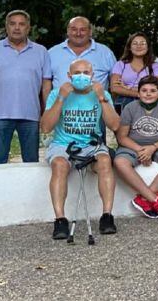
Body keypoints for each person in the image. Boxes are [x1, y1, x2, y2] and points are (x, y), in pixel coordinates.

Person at [41, 59, 120, 239]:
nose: (81, 76)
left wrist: (101, 98)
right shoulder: (56, 93)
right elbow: (45, 127)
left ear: (92, 76)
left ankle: (107, 216)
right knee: (59, 165)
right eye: (77, 73)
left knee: (105, 161)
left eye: (86, 72)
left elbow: (115, 124)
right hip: (63, 144)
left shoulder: (102, 94)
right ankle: (60, 219)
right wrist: (61, 98)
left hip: (91, 144)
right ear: (69, 76)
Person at [0, 10, 51, 164]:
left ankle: (29, 189)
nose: (17, 28)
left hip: (30, 116)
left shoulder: (41, 52)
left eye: (22, 24)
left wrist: (47, 113)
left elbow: (46, 86)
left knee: (31, 162)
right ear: (6, 27)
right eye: (12, 24)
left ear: (28, 28)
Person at [112, 75, 158, 220]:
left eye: (153, 91)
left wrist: (152, 148)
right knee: (119, 162)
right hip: (133, 145)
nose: (148, 93)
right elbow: (122, 137)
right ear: (138, 93)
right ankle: (154, 199)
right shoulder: (129, 108)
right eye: (144, 90)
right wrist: (140, 150)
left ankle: (145, 198)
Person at [47, 16, 116, 90]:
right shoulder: (52, 53)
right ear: (68, 31)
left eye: (83, 30)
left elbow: (116, 84)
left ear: (90, 32)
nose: (78, 34)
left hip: (97, 101)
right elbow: (45, 83)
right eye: (74, 29)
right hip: (60, 101)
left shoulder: (105, 53)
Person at [110, 33, 158, 112]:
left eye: (143, 43)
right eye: (135, 43)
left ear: (148, 47)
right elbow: (114, 88)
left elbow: (155, 88)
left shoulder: (155, 66)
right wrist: (142, 93)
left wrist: (127, 88)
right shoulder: (120, 64)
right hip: (123, 105)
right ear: (129, 47)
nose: (139, 46)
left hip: (148, 106)